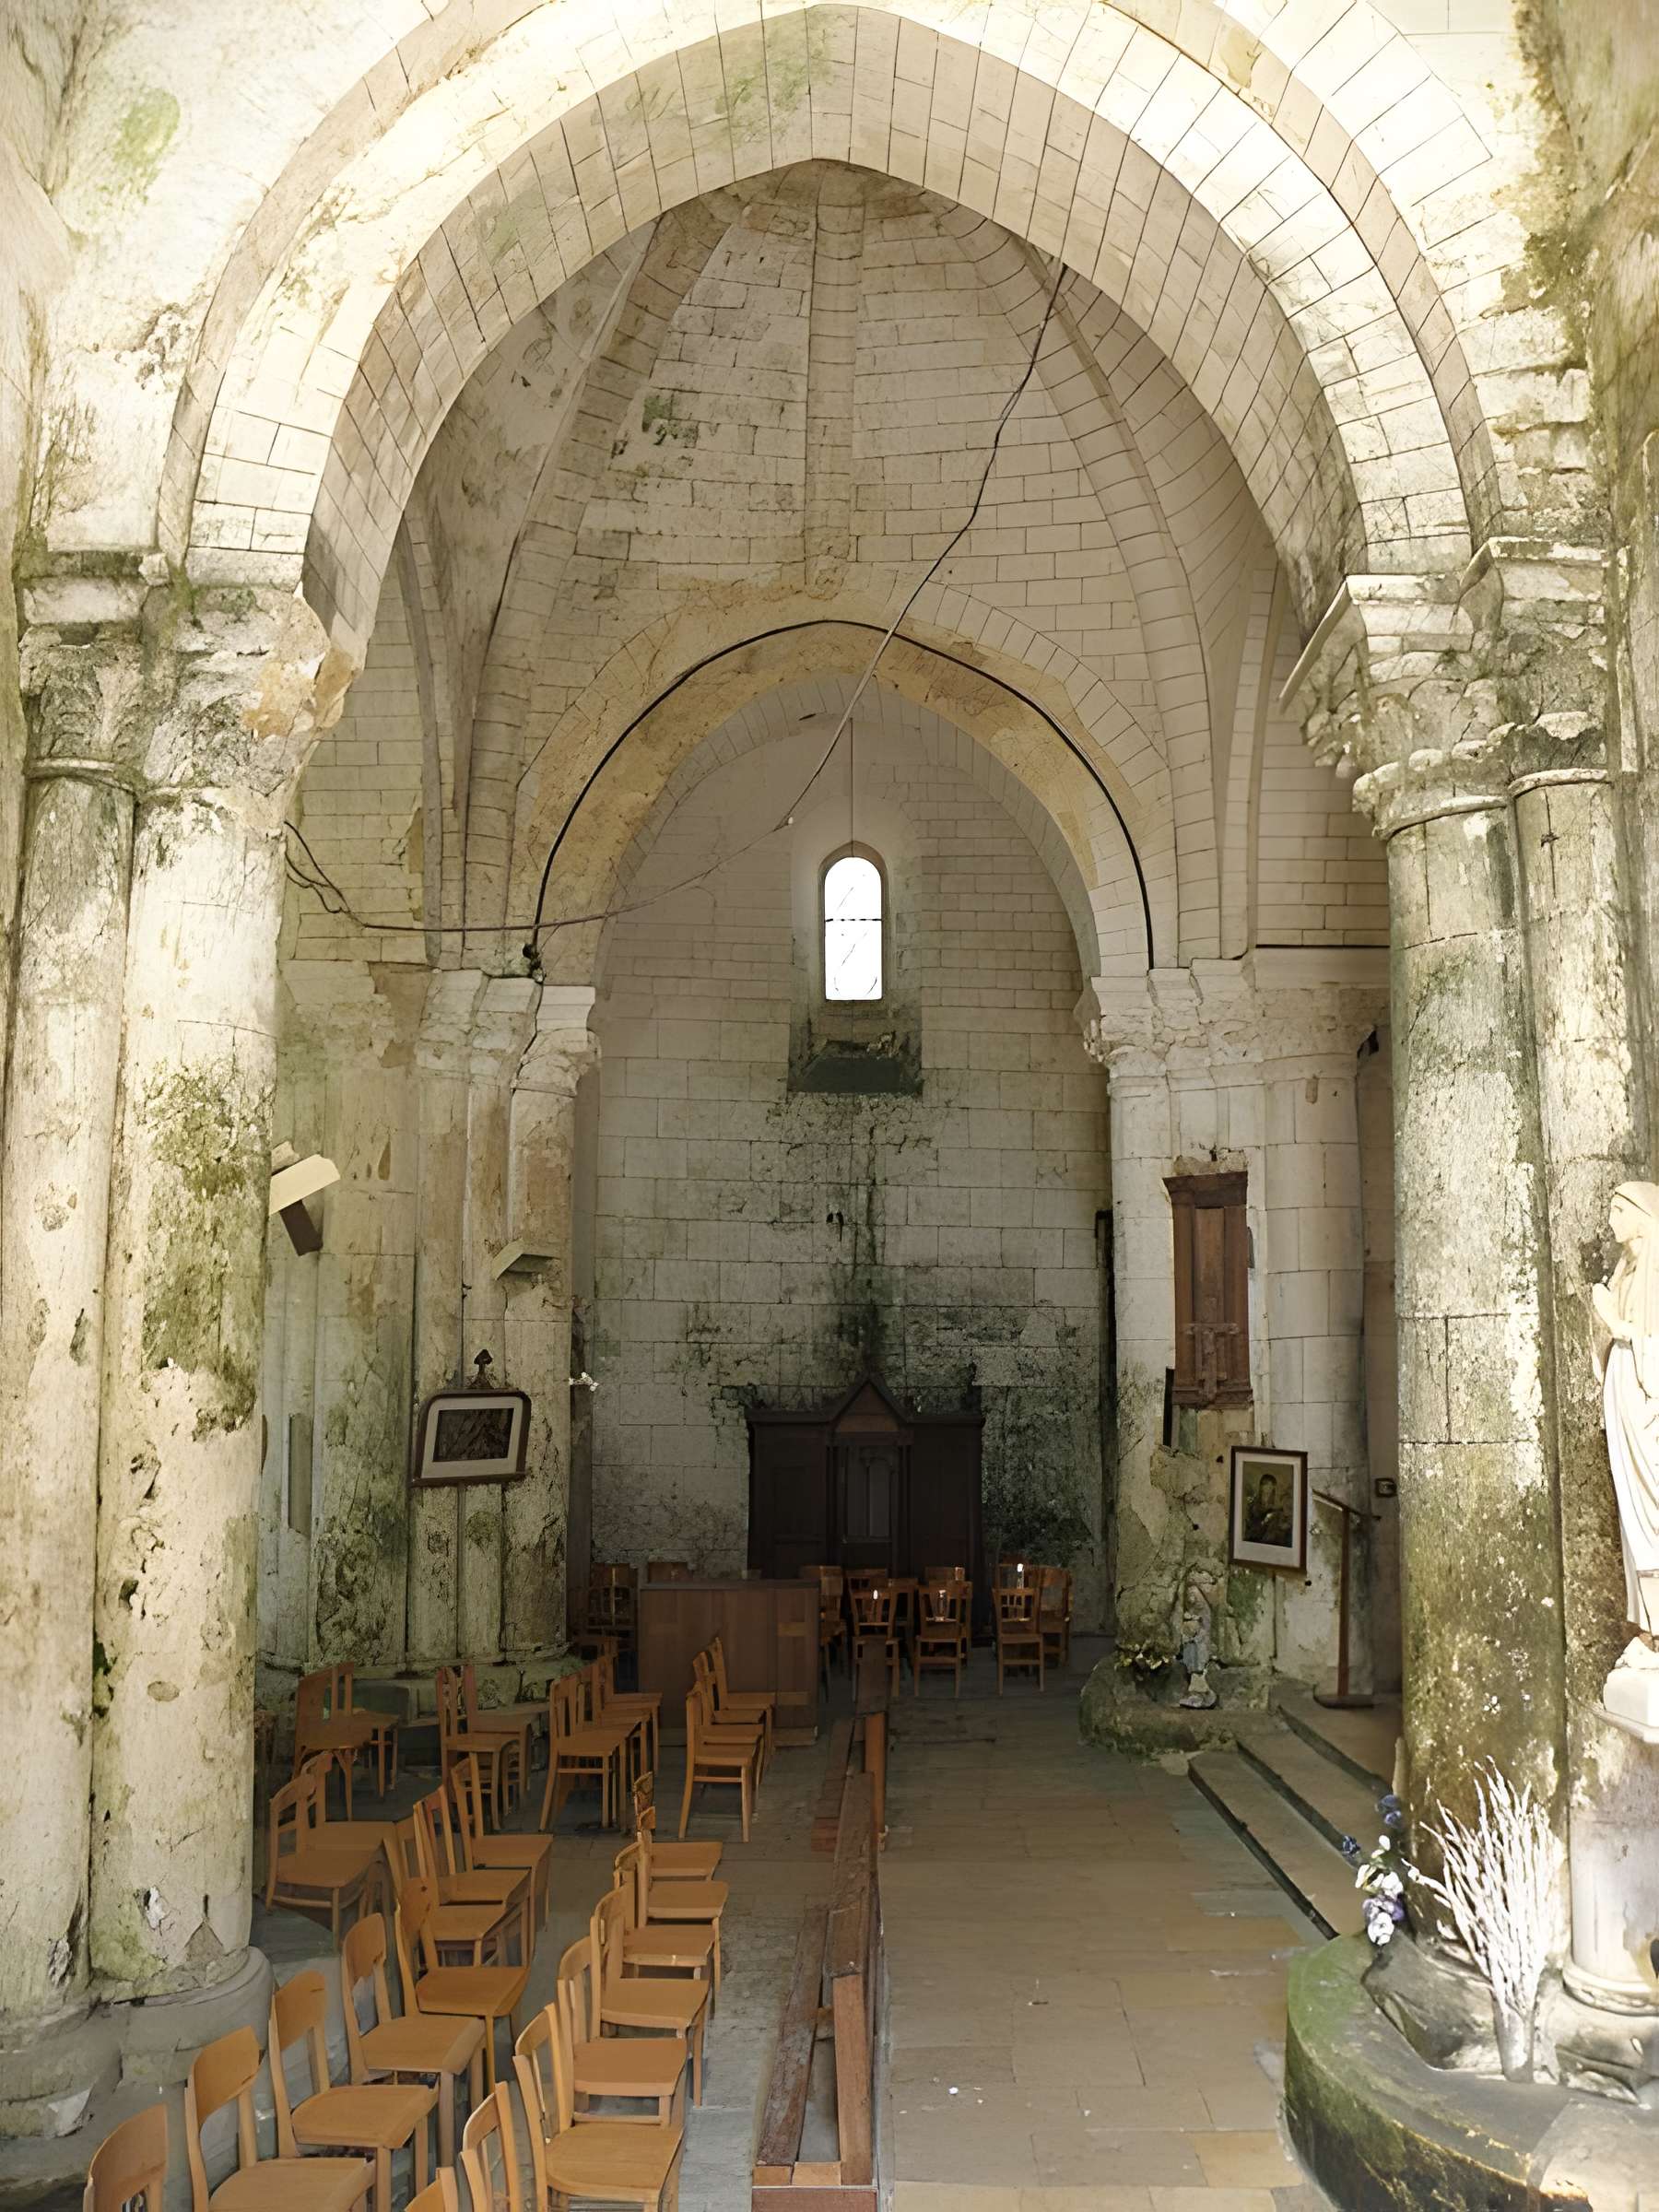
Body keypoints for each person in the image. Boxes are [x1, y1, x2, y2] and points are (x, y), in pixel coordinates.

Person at [1591, 1182, 1659, 1663]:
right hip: (1625, 1409)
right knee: (1634, 1521)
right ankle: (1650, 1630)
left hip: (1647, 1413)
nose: (1611, 1219)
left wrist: (1618, 1325)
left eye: (1619, 1210)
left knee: (1652, 1517)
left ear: (1642, 1217)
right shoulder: (1626, 1274)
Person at [1244, 1465, 1292, 1548]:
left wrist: (1285, 1523)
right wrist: (1265, 1519)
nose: (1269, 1488)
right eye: (1266, 1485)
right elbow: (1251, 1522)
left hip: (1271, 1532)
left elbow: (1281, 1518)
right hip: (1257, 1532)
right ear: (1261, 1486)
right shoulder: (1254, 1503)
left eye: (1271, 1486)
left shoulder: (1276, 1503)